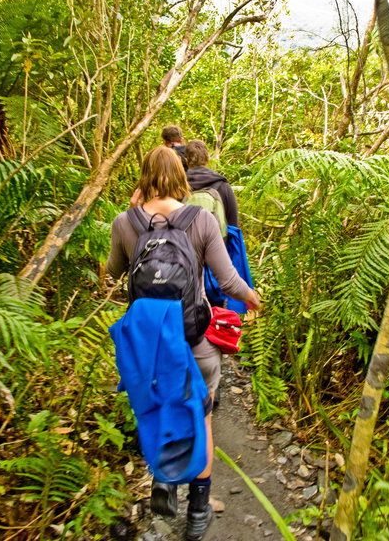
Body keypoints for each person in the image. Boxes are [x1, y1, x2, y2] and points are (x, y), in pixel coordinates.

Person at [106, 146, 260, 541]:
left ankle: (163, 481)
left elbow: (113, 272)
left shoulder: (125, 222)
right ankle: (197, 511)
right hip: (195, 341)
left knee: (156, 410)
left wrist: (130, 214)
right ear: (182, 176)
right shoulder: (203, 220)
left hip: (149, 346)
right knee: (201, 418)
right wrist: (253, 297)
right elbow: (227, 281)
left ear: (143, 178)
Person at [185, 139, 239, 228]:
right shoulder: (223, 186)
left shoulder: (178, 186)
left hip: (184, 241)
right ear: (208, 159)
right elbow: (234, 224)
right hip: (218, 240)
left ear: (186, 161)